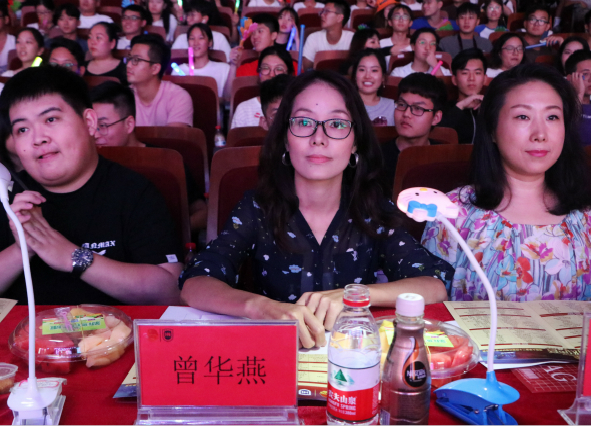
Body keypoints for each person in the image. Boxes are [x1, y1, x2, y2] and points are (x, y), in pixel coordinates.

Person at [179, 70, 453, 348]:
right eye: (303, 122)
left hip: (354, 357)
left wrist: (355, 295)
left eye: (337, 124)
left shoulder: (372, 208)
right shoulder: (257, 207)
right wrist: (259, 307)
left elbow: (434, 285)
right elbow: (195, 284)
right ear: (285, 139)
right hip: (278, 353)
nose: (318, 138)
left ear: (355, 142)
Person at [0, 66, 184, 305]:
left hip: (113, 328)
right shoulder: (5, 193)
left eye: (51, 119)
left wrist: (71, 256)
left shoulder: (135, 191)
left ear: (89, 122)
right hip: (26, 329)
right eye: (22, 129)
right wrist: (23, 249)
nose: (38, 139)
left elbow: (171, 291)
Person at [422, 64, 591, 301]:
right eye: (523, 116)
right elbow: (430, 307)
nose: (540, 134)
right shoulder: (452, 211)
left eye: (552, 117)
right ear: (492, 129)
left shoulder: (583, 212)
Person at [90, 81, 208, 231]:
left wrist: (164, 231)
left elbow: (203, 214)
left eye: (102, 126)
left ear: (129, 124)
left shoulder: (166, 162)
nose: (95, 135)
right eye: (91, 126)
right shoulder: (89, 164)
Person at [381, 72, 445, 193]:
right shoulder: (375, 156)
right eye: (401, 105)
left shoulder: (445, 158)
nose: (406, 114)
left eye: (418, 108)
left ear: (436, 117)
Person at [127, 34, 194, 127]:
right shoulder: (123, 97)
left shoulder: (178, 98)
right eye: (129, 58)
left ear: (155, 69)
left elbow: (175, 136)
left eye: (136, 60)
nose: (128, 65)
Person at [231, 46, 294, 128]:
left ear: (289, 73)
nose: (271, 74)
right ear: (259, 72)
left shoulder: (296, 106)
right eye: (266, 68)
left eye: (279, 69)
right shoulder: (244, 109)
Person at [438, 48, 487, 145]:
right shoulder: (444, 108)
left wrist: (489, 106)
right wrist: (461, 106)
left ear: (484, 79)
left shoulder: (491, 107)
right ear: (454, 80)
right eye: (465, 73)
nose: (471, 78)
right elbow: (438, 136)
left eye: (477, 73)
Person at [171, 24, 231, 99]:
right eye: (192, 38)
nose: (196, 43)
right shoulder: (179, 70)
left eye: (201, 38)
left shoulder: (224, 69)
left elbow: (228, 99)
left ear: (210, 42)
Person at [302, 0, 354, 70]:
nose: (322, 15)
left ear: (339, 18)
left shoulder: (352, 38)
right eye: (322, 11)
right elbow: (307, 69)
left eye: (327, 11)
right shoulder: (313, 38)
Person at [566, 50, 591, 146]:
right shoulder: (562, 106)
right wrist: (579, 94)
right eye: (585, 74)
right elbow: (569, 134)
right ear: (570, 78)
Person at [352, 49, 395, 126]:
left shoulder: (393, 107)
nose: (367, 76)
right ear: (355, 75)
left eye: (374, 70)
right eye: (362, 70)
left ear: (383, 77)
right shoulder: (344, 104)